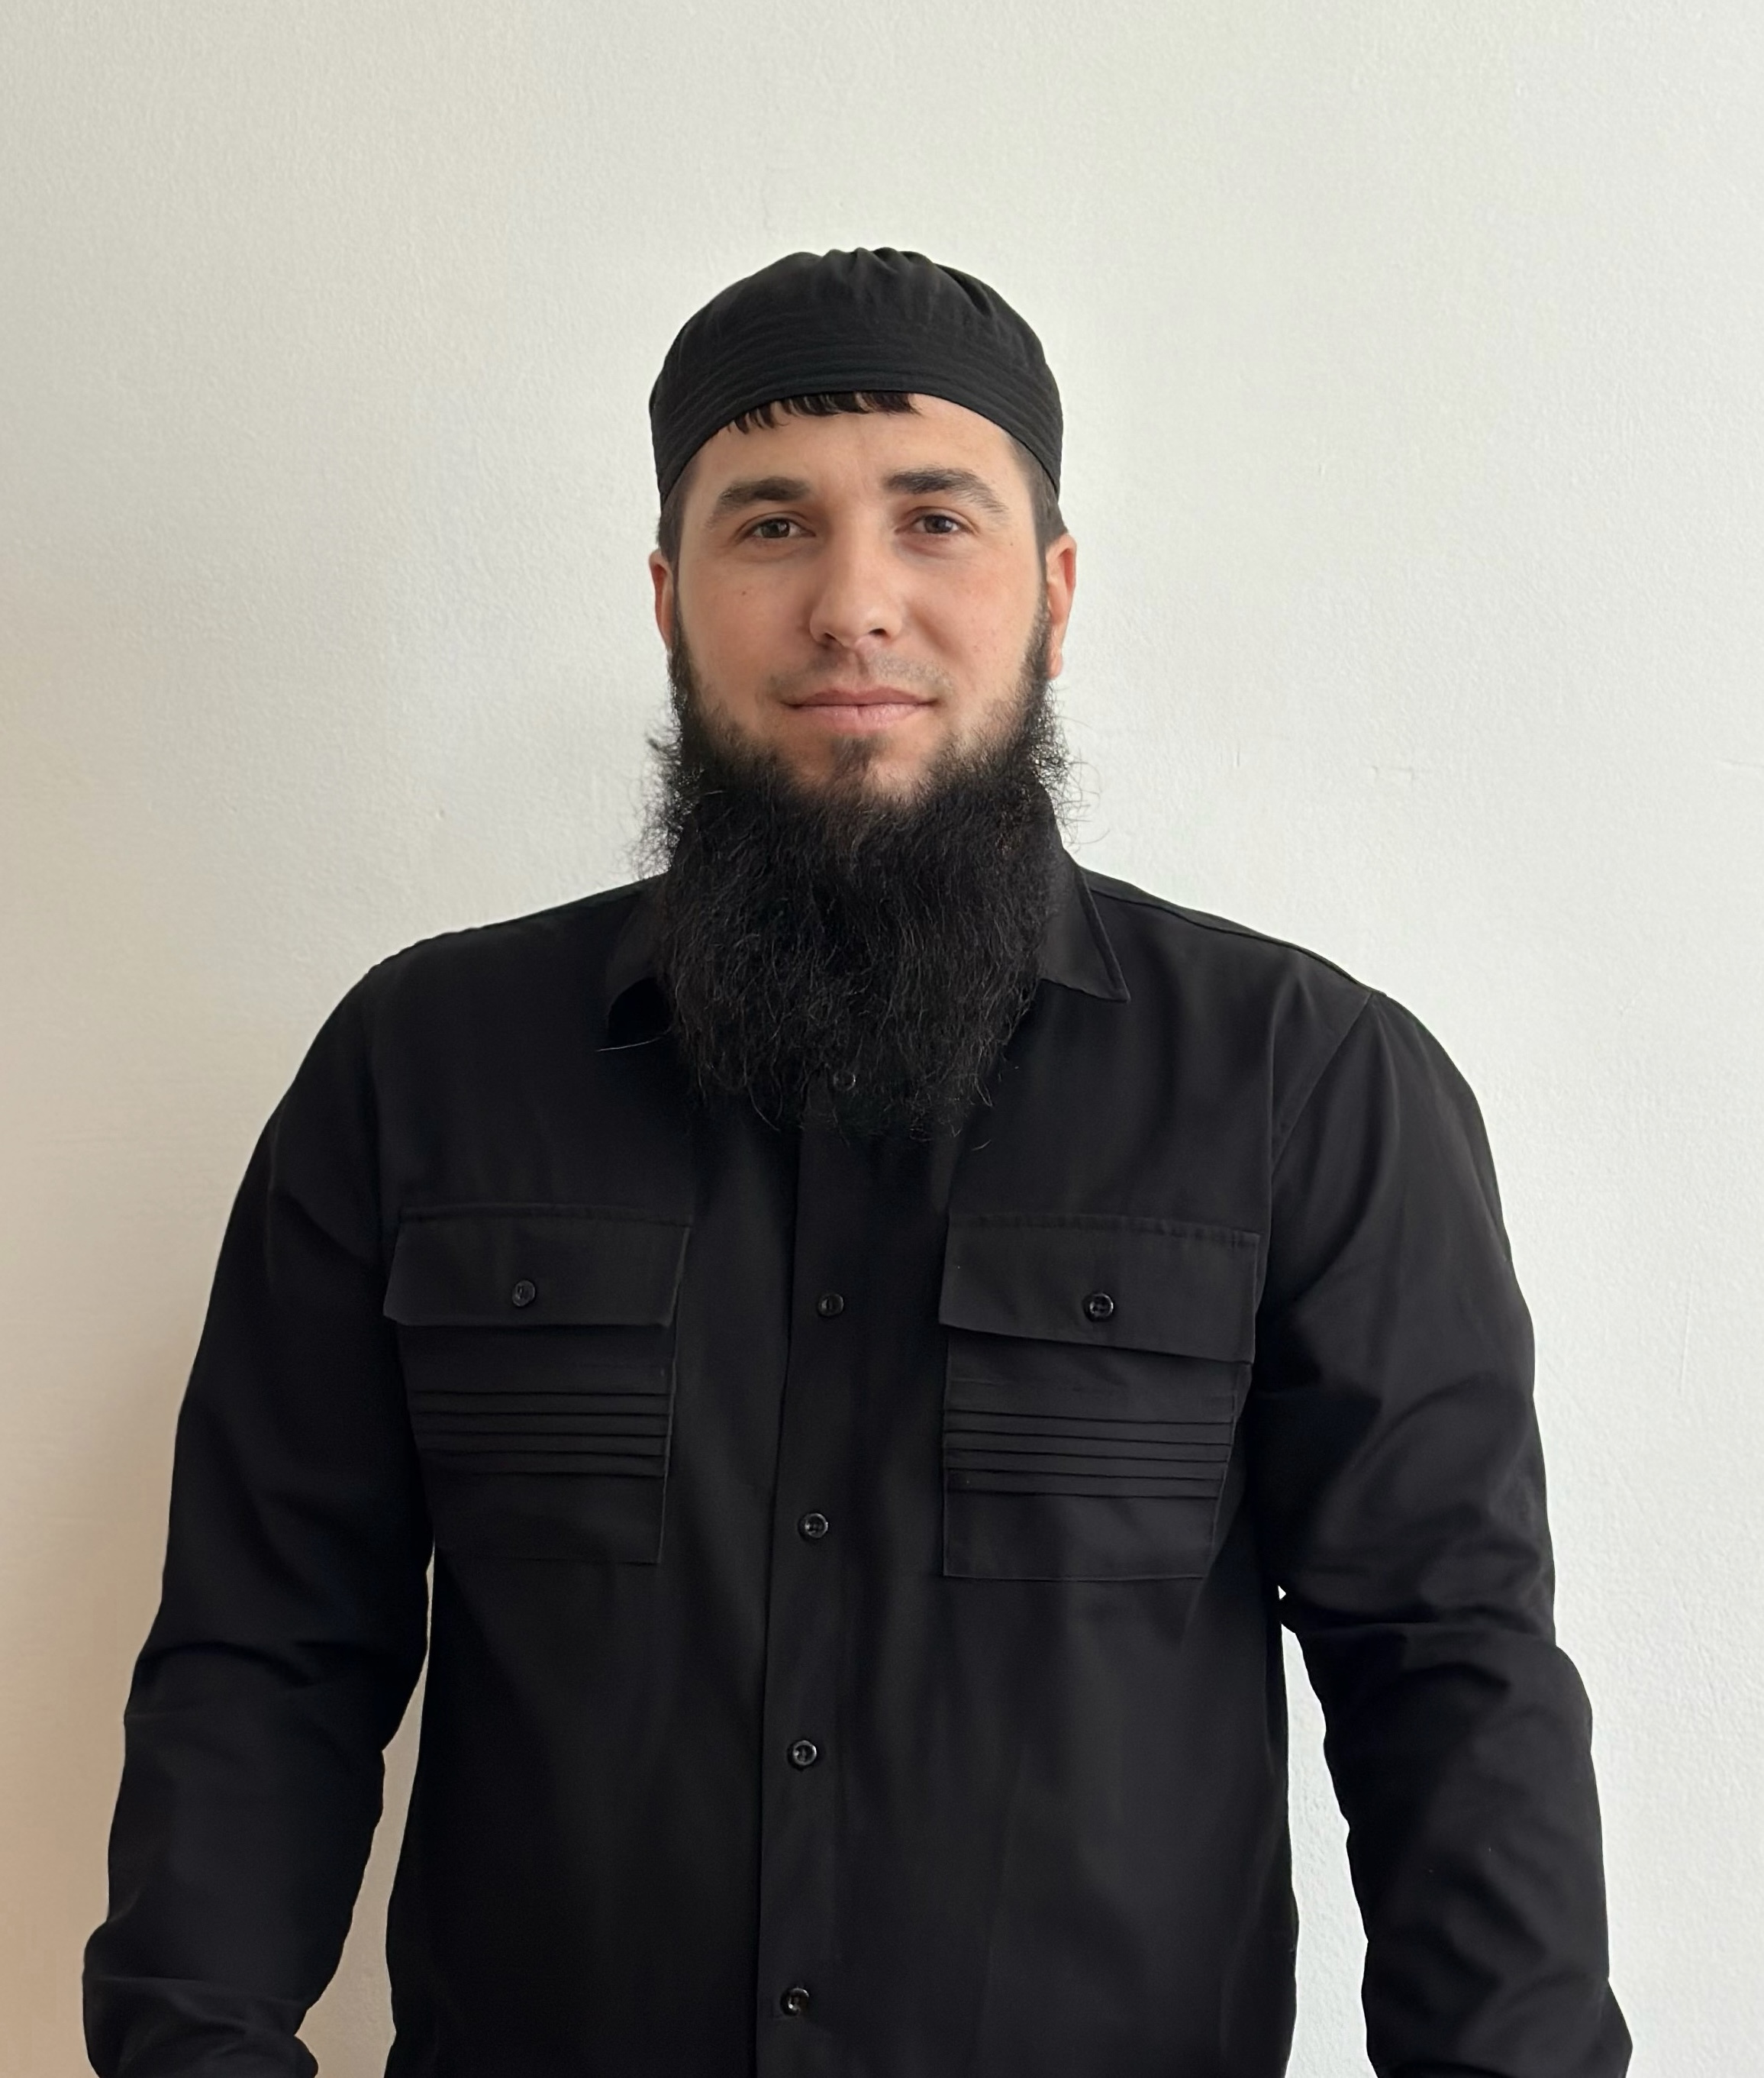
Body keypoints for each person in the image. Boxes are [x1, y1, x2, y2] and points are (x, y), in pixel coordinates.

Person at [85, 247, 1629, 2078]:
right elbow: (268, 1647)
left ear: (1053, 591)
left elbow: (1448, 1677)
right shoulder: (418, 1068)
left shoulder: (1306, 1080)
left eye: (933, 520)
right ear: (669, 596)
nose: (853, 604)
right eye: (770, 526)